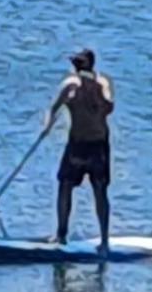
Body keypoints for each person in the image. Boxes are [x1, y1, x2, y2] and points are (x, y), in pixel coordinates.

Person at [46, 48, 114, 250]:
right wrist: (47, 127)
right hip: (77, 145)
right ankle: (61, 235)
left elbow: (109, 107)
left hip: (98, 146)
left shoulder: (102, 84)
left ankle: (104, 240)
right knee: (65, 185)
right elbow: (54, 108)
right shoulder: (70, 85)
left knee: (99, 190)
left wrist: (96, 94)